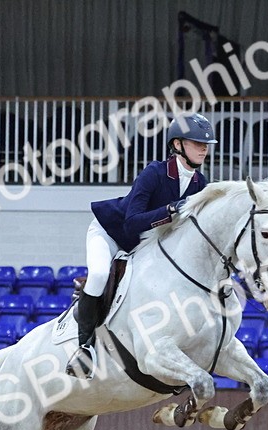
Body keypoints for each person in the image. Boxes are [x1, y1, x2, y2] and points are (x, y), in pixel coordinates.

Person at [65, 112, 217, 378]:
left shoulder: (199, 184)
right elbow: (131, 223)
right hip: (111, 234)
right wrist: (170, 210)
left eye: (206, 144)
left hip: (145, 245)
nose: (204, 148)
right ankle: (84, 348)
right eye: (196, 143)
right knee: (100, 274)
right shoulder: (154, 173)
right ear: (178, 145)